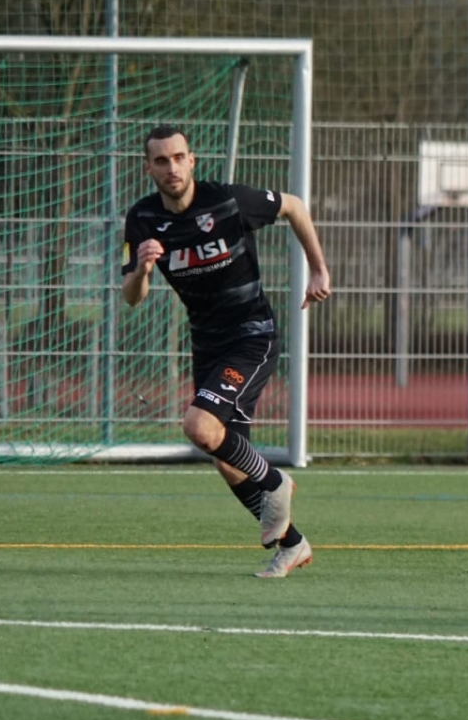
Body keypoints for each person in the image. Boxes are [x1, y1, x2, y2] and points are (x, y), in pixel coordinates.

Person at [119, 124, 331, 578]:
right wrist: (141, 270)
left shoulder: (228, 201)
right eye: (161, 160)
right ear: (148, 167)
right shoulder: (142, 219)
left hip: (252, 335)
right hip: (207, 343)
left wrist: (318, 269)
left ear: (192, 160)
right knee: (227, 459)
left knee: (199, 426)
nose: (172, 167)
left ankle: (276, 481)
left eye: (179, 157)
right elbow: (132, 297)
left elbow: (293, 206)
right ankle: (292, 545)